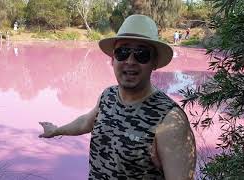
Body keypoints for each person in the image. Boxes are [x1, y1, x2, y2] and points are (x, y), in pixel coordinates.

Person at [39, 14, 196, 180]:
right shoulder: (108, 96)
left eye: (141, 54)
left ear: (154, 62)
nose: (130, 61)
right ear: (112, 59)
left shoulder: (170, 121)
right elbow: (86, 122)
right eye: (122, 52)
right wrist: (56, 130)